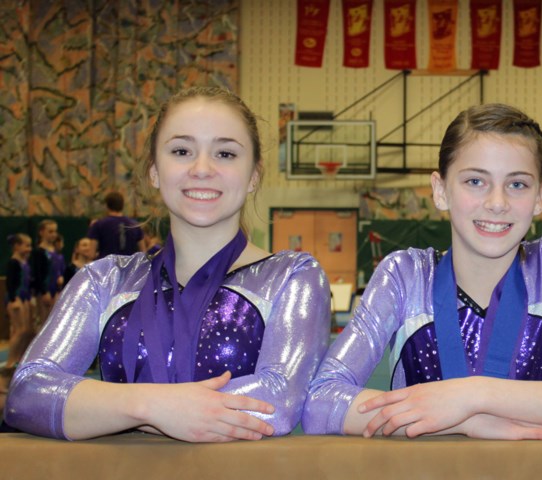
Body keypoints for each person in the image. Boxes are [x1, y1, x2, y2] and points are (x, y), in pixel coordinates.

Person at [4, 86, 330, 441]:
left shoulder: (291, 277)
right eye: (181, 150)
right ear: (154, 172)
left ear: (253, 175)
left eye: (225, 153)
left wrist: (110, 406)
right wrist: (152, 407)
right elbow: (28, 393)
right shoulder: (104, 279)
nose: (202, 169)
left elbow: (279, 400)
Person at [302, 103, 542, 439]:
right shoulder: (405, 275)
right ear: (441, 190)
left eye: (517, 184)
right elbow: (321, 401)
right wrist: (473, 422)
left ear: (540, 196)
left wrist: (474, 396)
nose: (497, 202)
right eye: (476, 181)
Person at [4, 234, 34, 372]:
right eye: (26, 245)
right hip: (16, 298)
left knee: (26, 330)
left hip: (25, 297)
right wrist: (13, 299)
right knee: (19, 330)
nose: (29, 249)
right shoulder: (13, 262)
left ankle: (18, 358)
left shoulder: (24, 262)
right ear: (16, 246)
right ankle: (10, 361)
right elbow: (10, 283)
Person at [87, 190, 144, 257]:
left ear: (106, 205)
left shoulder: (98, 225)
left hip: (107, 266)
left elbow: (91, 254)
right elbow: (143, 253)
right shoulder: (135, 225)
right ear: (122, 205)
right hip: (129, 266)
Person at [28, 219, 61, 327]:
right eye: (50, 231)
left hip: (55, 289)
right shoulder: (39, 251)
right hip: (44, 291)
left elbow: (56, 269)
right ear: (41, 232)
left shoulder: (54, 250)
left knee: (54, 321)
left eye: (55, 231)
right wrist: (43, 291)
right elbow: (38, 273)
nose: (53, 234)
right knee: (44, 322)